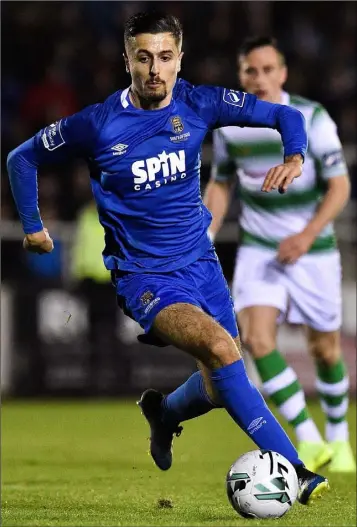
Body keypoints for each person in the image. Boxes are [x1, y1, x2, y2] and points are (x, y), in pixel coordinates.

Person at [7, 11, 328, 504]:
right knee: (223, 351)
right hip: (144, 276)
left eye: (164, 57)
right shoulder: (97, 124)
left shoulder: (199, 103)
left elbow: (287, 116)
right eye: (143, 58)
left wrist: (295, 156)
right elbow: (21, 157)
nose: (155, 68)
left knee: (221, 384)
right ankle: (297, 470)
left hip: (202, 264)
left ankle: (164, 413)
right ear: (127, 61)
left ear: (180, 58)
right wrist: (32, 226)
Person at [204, 36, 355, 473]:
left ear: (283, 74)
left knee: (325, 350)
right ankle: (308, 440)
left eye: (269, 69)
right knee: (255, 339)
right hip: (259, 249)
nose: (260, 78)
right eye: (251, 70)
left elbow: (340, 187)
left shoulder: (311, 118)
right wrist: (208, 232)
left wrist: (307, 236)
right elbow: (222, 183)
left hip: (313, 252)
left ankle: (340, 440)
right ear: (241, 76)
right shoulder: (231, 126)